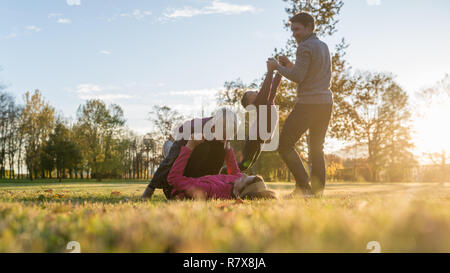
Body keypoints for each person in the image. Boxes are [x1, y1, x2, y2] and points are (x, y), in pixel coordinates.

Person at [267, 12, 333, 197]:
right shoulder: (322, 46)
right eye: (292, 29)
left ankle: (304, 187)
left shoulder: (304, 46)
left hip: (309, 103)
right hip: (325, 103)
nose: (294, 33)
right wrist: (290, 65)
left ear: (309, 27)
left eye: (297, 29)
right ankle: (317, 193)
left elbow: (298, 77)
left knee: (285, 144)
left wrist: (276, 67)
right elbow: (309, 72)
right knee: (316, 148)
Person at [141, 108, 238, 199]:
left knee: (221, 149)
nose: (226, 140)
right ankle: (169, 148)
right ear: (213, 128)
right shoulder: (193, 130)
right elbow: (170, 160)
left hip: (197, 175)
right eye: (224, 136)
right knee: (175, 157)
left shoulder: (222, 139)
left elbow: (231, 171)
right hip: (184, 148)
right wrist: (150, 189)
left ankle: (206, 183)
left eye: (229, 136)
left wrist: (211, 186)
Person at [167, 137, 277, 200]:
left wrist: (189, 147)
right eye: (247, 175)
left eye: (245, 179)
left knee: (200, 149)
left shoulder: (210, 190)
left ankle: (171, 153)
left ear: (238, 192)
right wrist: (227, 147)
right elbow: (235, 171)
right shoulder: (235, 182)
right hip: (196, 177)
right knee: (218, 147)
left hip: (175, 183)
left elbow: (173, 179)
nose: (243, 175)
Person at [236, 62, 282, 172]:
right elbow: (266, 87)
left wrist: (281, 70)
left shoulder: (267, 102)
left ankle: (227, 174)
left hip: (258, 140)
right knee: (244, 164)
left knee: (246, 165)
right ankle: (223, 173)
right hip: (254, 139)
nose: (256, 91)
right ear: (250, 102)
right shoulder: (259, 103)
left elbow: (273, 86)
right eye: (252, 93)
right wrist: (270, 71)